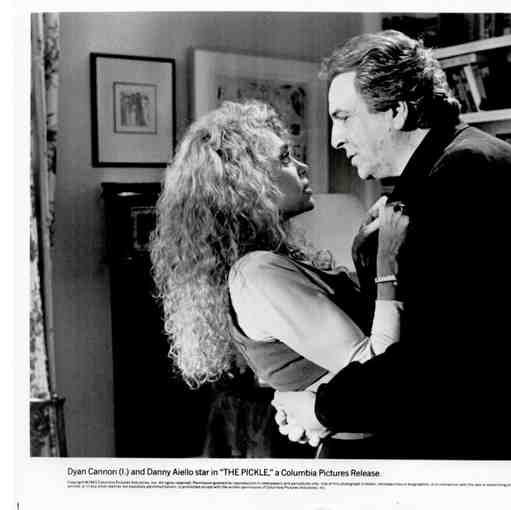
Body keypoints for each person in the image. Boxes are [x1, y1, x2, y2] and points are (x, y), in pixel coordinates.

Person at [272, 30, 511, 460]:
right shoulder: (456, 166)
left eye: (343, 117)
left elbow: (432, 359)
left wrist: (321, 409)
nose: (335, 139)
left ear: (396, 111)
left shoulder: (463, 175)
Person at [150, 100, 409, 458]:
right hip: (365, 454)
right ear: (247, 184)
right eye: (285, 158)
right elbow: (374, 369)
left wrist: (363, 254)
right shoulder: (255, 274)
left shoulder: (265, 263)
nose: (302, 167)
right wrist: (386, 264)